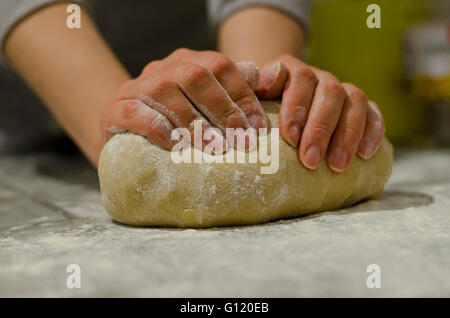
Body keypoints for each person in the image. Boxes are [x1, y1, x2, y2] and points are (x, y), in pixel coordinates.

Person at [0, 0, 385, 173]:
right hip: (24, 129)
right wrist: (119, 116)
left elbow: (256, 104)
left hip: (202, 102)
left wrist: (259, 91)